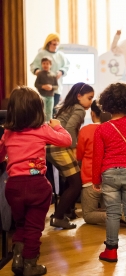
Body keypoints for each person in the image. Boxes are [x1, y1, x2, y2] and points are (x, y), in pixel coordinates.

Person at [0, 86, 71, 276]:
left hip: (13, 187)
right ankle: (30, 264)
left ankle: (17, 257)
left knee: (21, 223)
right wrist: (57, 125)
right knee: (34, 227)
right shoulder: (42, 129)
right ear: (38, 109)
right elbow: (66, 140)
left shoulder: (8, 133)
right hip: (37, 186)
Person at [92, 64, 126, 262]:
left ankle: (111, 251)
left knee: (113, 213)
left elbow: (97, 157)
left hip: (109, 173)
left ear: (105, 103)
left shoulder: (101, 129)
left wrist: (95, 180)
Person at [47, 82, 94, 229]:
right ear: (79, 96)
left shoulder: (68, 107)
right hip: (59, 148)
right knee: (76, 183)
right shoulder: (79, 109)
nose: (91, 102)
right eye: (89, 97)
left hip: (51, 147)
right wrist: (74, 149)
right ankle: (59, 217)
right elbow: (69, 128)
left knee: (71, 181)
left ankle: (64, 212)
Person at [76, 100, 111, 225]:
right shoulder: (112, 129)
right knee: (109, 206)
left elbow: (79, 156)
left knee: (88, 214)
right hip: (110, 179)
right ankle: (119, 214)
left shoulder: (86, 130)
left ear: (92, 113)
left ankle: (113, 216)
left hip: (90, 179)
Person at [30, 33, 70, 113]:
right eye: (54, 44)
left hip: (55, 87)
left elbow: (67, 66)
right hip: (43, 87)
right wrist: (37, 71)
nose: (56, 46)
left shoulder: (61, 55)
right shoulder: (42, 54)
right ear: (49, 43)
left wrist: (61, 71)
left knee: (54, 108)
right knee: (43, 109)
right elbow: (33, 65)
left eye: (57, 44)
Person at [35, 56, 58, 122]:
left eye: (47, 63)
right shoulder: (40, 74)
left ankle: (49, 124)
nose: (45, 65)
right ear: (41, 64)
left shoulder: (53, 75)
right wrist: (43, 86)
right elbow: (36, 84)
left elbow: (56, 86)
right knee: (43, 110)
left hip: (50, 96)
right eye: (44, 63)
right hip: (42, 96)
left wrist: (51, 87)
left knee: (49, 111)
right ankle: (43, 123)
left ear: (50, 65)